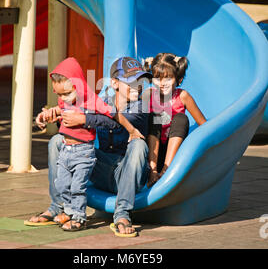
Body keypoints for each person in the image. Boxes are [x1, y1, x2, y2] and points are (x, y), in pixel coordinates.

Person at [25, 57, 143, 231]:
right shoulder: (98, 98)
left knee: (139, 145)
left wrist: (83, 118)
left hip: (125, 172)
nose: (137, 86)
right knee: (57, 141)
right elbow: (74, 107)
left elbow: (114, 122)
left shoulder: (142, 106)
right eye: (131, 81)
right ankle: (59, 206)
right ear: (115, 84)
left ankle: (122, 213)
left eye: (140, 81)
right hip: (100, 167)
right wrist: (53, 114)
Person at [144, 52, 206, 187]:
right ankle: (152, 171)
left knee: (181, 118)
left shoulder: (182, 96)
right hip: (153, 154)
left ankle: (166, 171)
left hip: (174, 157)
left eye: (168, 78)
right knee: (155, 117)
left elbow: (204, 126)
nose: (162, 84)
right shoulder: (148, 95)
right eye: (157, 78)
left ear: (179, 79)